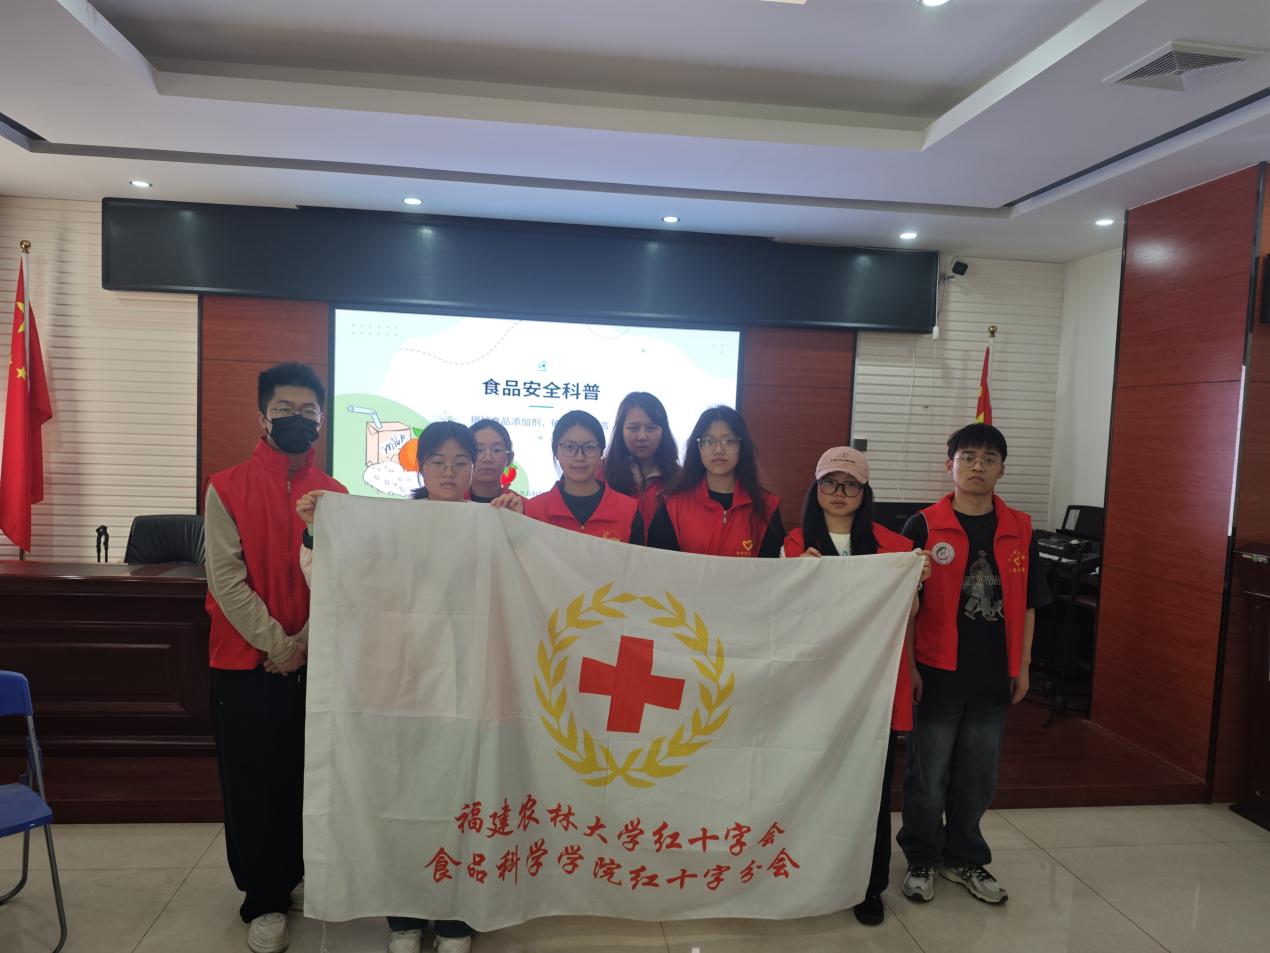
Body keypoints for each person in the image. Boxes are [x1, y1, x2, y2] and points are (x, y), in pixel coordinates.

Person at [298, 420, 477, 953]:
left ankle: (456, 918)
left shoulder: (488, 525)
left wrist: (518, 525)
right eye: (438, 461)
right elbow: (338, 578)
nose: (449, 472)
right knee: (401, 799)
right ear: (421, 468)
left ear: (475, 468)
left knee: (461, 802)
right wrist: (317, 532)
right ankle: (404, 917)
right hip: (401, 683)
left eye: (460, 462)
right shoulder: (391, 524)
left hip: (469, 686)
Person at [204, 362, 345, 953]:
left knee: (305, 776)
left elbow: (341, 579)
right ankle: (263, 899)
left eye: (307, 412)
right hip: (244, 664)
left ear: (321, 419)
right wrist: (281, 646)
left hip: (316, 661)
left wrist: (304, 643)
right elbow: (226, 580)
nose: (296, 420)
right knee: (252, 783)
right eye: (283, 410)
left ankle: (296, 875)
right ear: (262, 416)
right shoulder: (226, 486)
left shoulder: (336, 495)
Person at [897, 423, 1048, 907]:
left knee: (978, 777)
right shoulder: (922, 526)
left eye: (988, 458)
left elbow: (1029, 603)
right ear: (950, 465)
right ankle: (922, 856)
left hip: (993, 673)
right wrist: (909, 668)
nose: (977, 466)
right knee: (928, 776)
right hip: (937, 671)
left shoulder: (1020, 528)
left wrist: (1023, 665)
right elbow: (902, 607)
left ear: (1002, 469)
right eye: (967, 457)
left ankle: (964, 857)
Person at [781, 446, 930, 926]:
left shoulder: (895, 546)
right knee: (814, 783)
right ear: (816, 489)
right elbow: (785, 618)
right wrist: (797, 580)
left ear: (865, 493)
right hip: (817, 688)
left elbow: (906, 617)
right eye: (830, 483)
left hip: (873, 687)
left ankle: (868, 885)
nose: (840, 493)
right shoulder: (794, 544)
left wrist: (914, 581)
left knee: (870, 789)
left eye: (851, 485)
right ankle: (810, 873)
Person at [646, 406, 782, 557]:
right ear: (698, 447)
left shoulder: (766, 507)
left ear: (741, 446)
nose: (718, 450)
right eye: (708, 441)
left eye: (728, 441)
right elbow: (659, 564)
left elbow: (773, 569)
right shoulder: (673, 504)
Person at [495, 410, 643, 543]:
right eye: (570, 447)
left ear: (601, 453)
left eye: (589, 447)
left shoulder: (628, 510)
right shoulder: (533, 511)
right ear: (556, 452)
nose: (579, 457)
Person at [602, 391, 681, 531]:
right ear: (621, 431)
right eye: (633, 428)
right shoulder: (601, 473)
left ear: (663, 431)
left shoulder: (679, 478)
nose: (642, 436)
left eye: (651, 428)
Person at [468, 418, 515, 503]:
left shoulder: (522, 506)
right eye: (479, 450)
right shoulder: (450, 503)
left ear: (509, 458)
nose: (488, 458)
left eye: (496, 450)